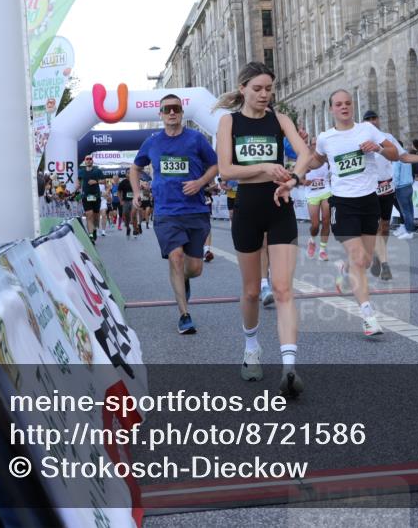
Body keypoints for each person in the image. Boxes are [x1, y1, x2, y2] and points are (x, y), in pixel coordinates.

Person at [216, 62, 310, 398]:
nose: (264, 94)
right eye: (257, 88)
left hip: (280, 207)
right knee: (252, 291)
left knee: (284, 289)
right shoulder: (229, 122)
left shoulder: (280, 119)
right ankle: (251, 347)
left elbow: (304, 154)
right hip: (247, 211)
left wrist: (294, 178)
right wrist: (265, 168)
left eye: (269, 88)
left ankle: (289, 367)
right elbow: (227, 170)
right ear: (242, 88)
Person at [310, 89, 399, 337]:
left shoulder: (367, 130)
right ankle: (368, 316)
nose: (344, 107)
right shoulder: (326, 138)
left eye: (348, 103)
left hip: (369, 200)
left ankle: (345, 269)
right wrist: (298, 168)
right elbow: (316, 160)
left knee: (366, 261)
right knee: (360, 260)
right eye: (338, 104)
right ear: (331, 109)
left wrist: (379, 148)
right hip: (342, 203)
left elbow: (395, 154)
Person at [131, 94, 218, 335]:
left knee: (195, 268)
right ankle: (184, 314)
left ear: (181, 112)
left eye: (176, 109)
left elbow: (215, 165)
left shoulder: (196, 139)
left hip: (195, 210)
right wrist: (137, 191)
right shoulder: (152, 142)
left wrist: (200, 182)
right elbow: (135, 168)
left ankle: (185, 279)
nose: (172, 113)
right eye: (167, 109)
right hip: (167, 212)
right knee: (176, 257)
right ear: (160, 114)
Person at [362, 110, 418, 278]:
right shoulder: (360, 138)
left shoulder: (388, 138)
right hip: (369, 189)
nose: (372, 121)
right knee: (375, 227)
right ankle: (383, 261)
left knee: (385, 227)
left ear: (379, 119)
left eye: (374, 118)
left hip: (387, 187)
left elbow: (404, 157)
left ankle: (379, 256)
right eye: (368, 119)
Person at [303, 138, 331, 261]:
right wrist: (304, 181)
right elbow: (297, 176)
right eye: (313, 144)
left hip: (326, 191)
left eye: (317, 144)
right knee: (315, 226)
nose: (315, 146)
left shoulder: (326, 159)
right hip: (312, 194)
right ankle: (312, 240)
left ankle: (322, 250)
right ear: (310, 146)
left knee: (326, 221)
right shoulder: (305, 160)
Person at [77, 155, 104, 244]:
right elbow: (78, 181)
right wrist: (77, 188)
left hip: (96, 196)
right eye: (87, 159)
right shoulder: (81, 172)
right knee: (89, 214)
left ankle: (95, 229)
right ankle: (91, 235)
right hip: (86, 196)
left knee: (96, 217)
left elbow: (103, 181)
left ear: (92, 161)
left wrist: (95, 181)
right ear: (85, 161)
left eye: (90, 159)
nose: (88, 160)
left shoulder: (97, 171)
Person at [117, 171, 137, 238]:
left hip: (134, 201)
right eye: (128, 173)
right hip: (125, 201)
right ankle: (128, 227)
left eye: (130, 173)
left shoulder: (135, 181)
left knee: (133, 214)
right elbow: (119, 192)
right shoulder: (123, 182)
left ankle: (135, 229)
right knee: (126, 215)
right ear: (126, 174)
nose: (129, 174)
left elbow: (139, 190)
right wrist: (120, 200)